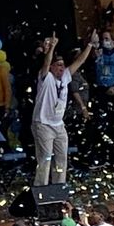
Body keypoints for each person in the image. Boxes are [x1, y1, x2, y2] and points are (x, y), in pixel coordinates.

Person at [32, 31, 95, 188]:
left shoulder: (65, 77)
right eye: (58, 65)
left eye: (62, 65)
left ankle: (58, 190)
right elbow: (45, 63)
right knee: (45, 160)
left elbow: (79, 61)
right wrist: (52, 48)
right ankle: (41, 191)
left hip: (58, 125)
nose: (62, 68)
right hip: (43, 124)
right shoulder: (45, 78)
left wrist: (90, 44)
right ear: (52, 67)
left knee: (61, 159)